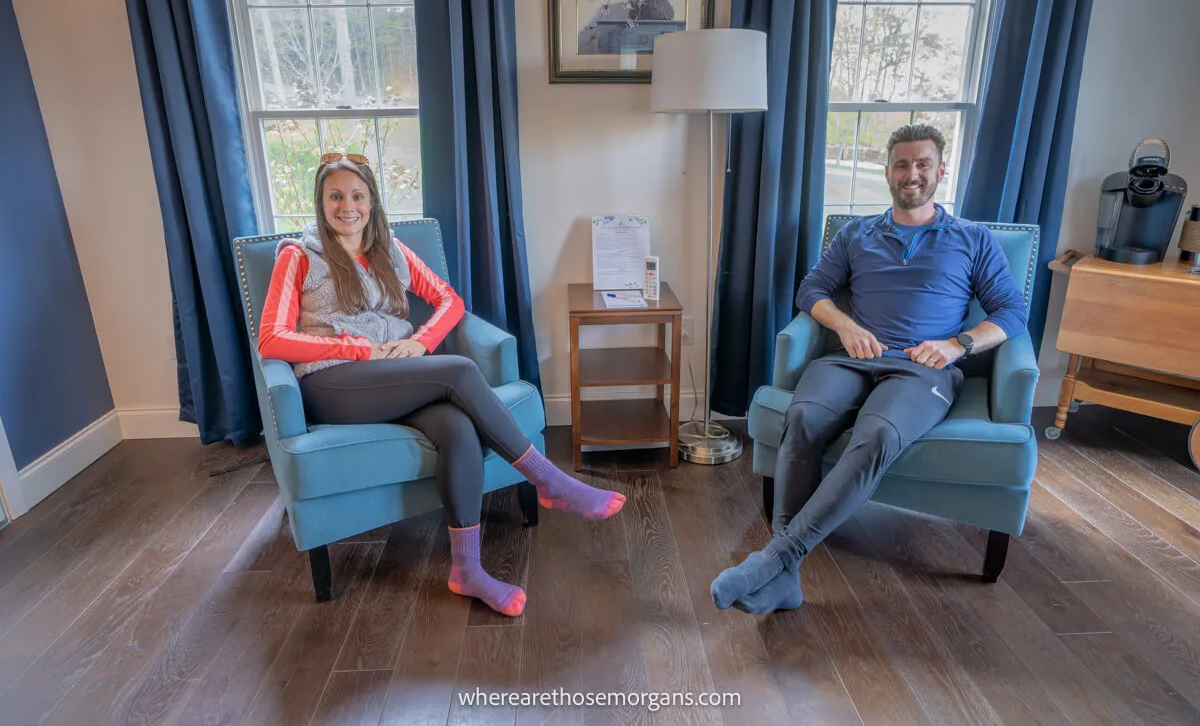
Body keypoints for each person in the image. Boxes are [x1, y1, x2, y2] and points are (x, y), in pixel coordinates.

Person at [258, 153, 624, 617]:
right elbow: (271, 338)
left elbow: (449, 301)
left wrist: (419, 344)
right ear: (320, 202)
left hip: (394, 375)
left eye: (357, 196)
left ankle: (467, 570)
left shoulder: (389, 248)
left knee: (456, 428)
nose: (346, 206)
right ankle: (550, 480)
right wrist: (357, 348)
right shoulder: (298, 255)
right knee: (458, 370)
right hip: (335, 381)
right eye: (335, 196)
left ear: (371, 202)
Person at [710, 123, 1027, 614]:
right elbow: (811, 290)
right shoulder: (857, 233)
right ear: (887, 172)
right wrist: (846, 326)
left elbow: (1010, 312)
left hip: (922, 370)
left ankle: (778, 558)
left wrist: (957, 344)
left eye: (923, 164)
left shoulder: (973, 239)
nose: (912, 173)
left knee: (876, 434)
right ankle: (784, 580)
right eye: (902, 164)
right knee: (802, 419)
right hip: (851, 359)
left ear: (941, 171)